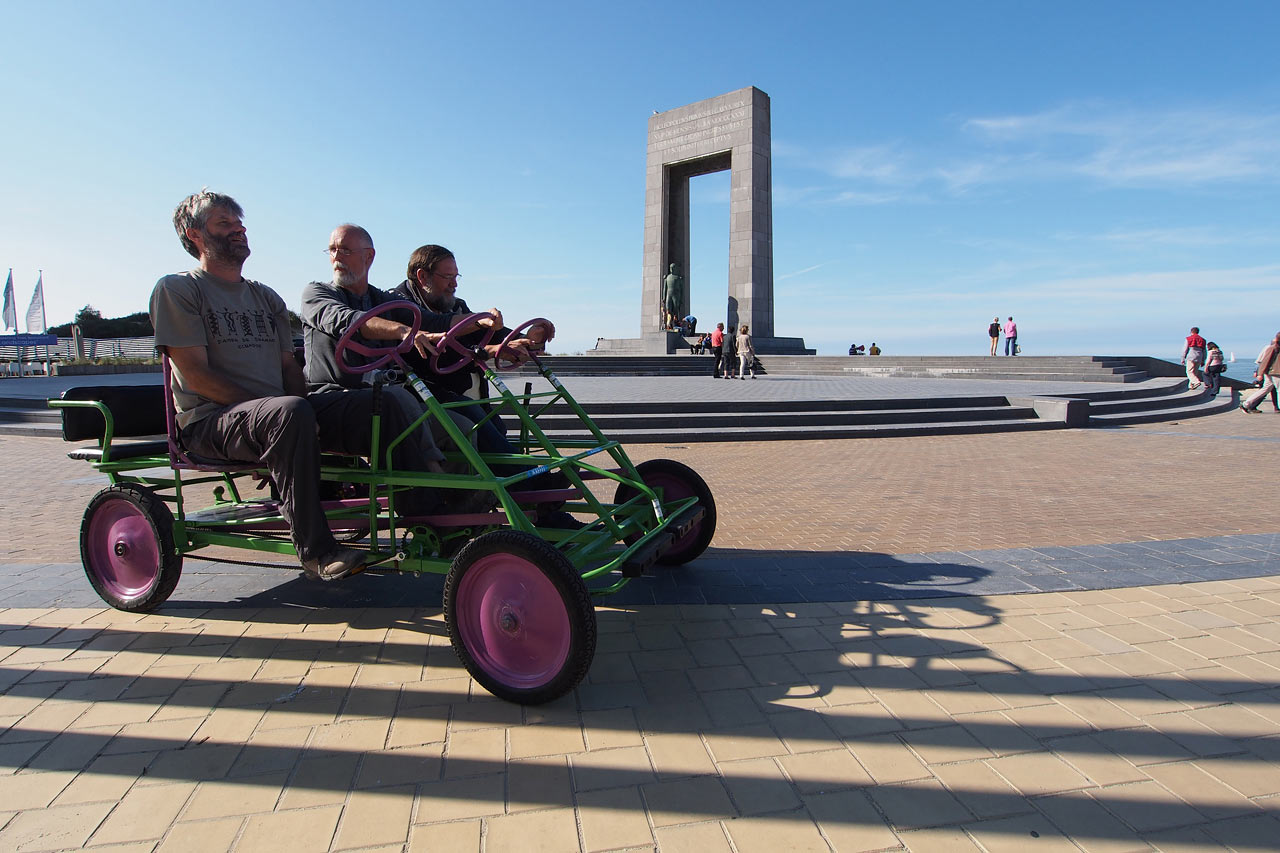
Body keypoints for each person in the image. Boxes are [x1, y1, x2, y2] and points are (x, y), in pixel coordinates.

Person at [150, 191, 365, 581]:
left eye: (239, 223)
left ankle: (442, 519)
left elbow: (288, 367)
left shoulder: (266, 297)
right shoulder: (178, 290)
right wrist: (281, 413)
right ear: (194, 234)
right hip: (209, 422)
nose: (239, 229)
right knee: (288, 412)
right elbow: (195, 375)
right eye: (224, 224)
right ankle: (317, 552)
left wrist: (306, 414)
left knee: (382, 403)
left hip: (275, 416)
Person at [299, 225, 486, 515]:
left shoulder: (381, 300)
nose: (337, 256)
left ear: (369, 256)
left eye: (345, 250)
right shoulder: (317, 293)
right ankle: (430, 501)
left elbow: (431, 322)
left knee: (459, 426)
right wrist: (402, 331)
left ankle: (463, 507)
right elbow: (347, 321)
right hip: (331, 399)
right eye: (333, 250)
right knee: (396, 400)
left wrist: (483, 322)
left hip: (378, 401)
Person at [1242, 333, 1280, 413]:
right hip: (1274, 373)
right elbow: (1264, 361)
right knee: (1277, 390)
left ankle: (1246, 404)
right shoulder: (1273, 348)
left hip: (1273, 372)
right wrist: (1260, 373)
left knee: (1265, 389)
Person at [662, 263, 683, 330]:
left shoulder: (678, 278)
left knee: (676, 309)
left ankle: (676, 323)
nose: (672, 269)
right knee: (668, 309)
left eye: (674, 268)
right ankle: (668, 324)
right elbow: (665, 288)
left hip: (676, 295)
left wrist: (681, 299)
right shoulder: (667, 277)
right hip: (669, 294)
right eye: (671, 268)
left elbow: (681, 290)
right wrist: (664, 297)